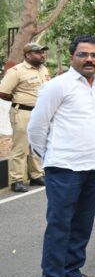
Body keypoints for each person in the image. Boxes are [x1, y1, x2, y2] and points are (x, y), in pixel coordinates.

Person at [28, 35, 95, 277]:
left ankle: (71, 274)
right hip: (64, 169)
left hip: (93, 167)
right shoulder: (58, 86)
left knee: (82, 224)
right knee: (60, 226)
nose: (89, 59)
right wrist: (50, 158)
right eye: (83, 54)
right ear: (73, 56)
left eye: (94, 55)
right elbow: (37, 128)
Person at [0, 42, 49, 192]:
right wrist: (19, 101)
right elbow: (3, 92)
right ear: (28, 55)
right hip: (22, 112)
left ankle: (36, 175)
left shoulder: (43, 69)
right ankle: (17, 180)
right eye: (38, 52)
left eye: (42, 52)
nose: (42, 55)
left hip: (39, 113)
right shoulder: (16, 71)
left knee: (36, 145)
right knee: (21, 147)